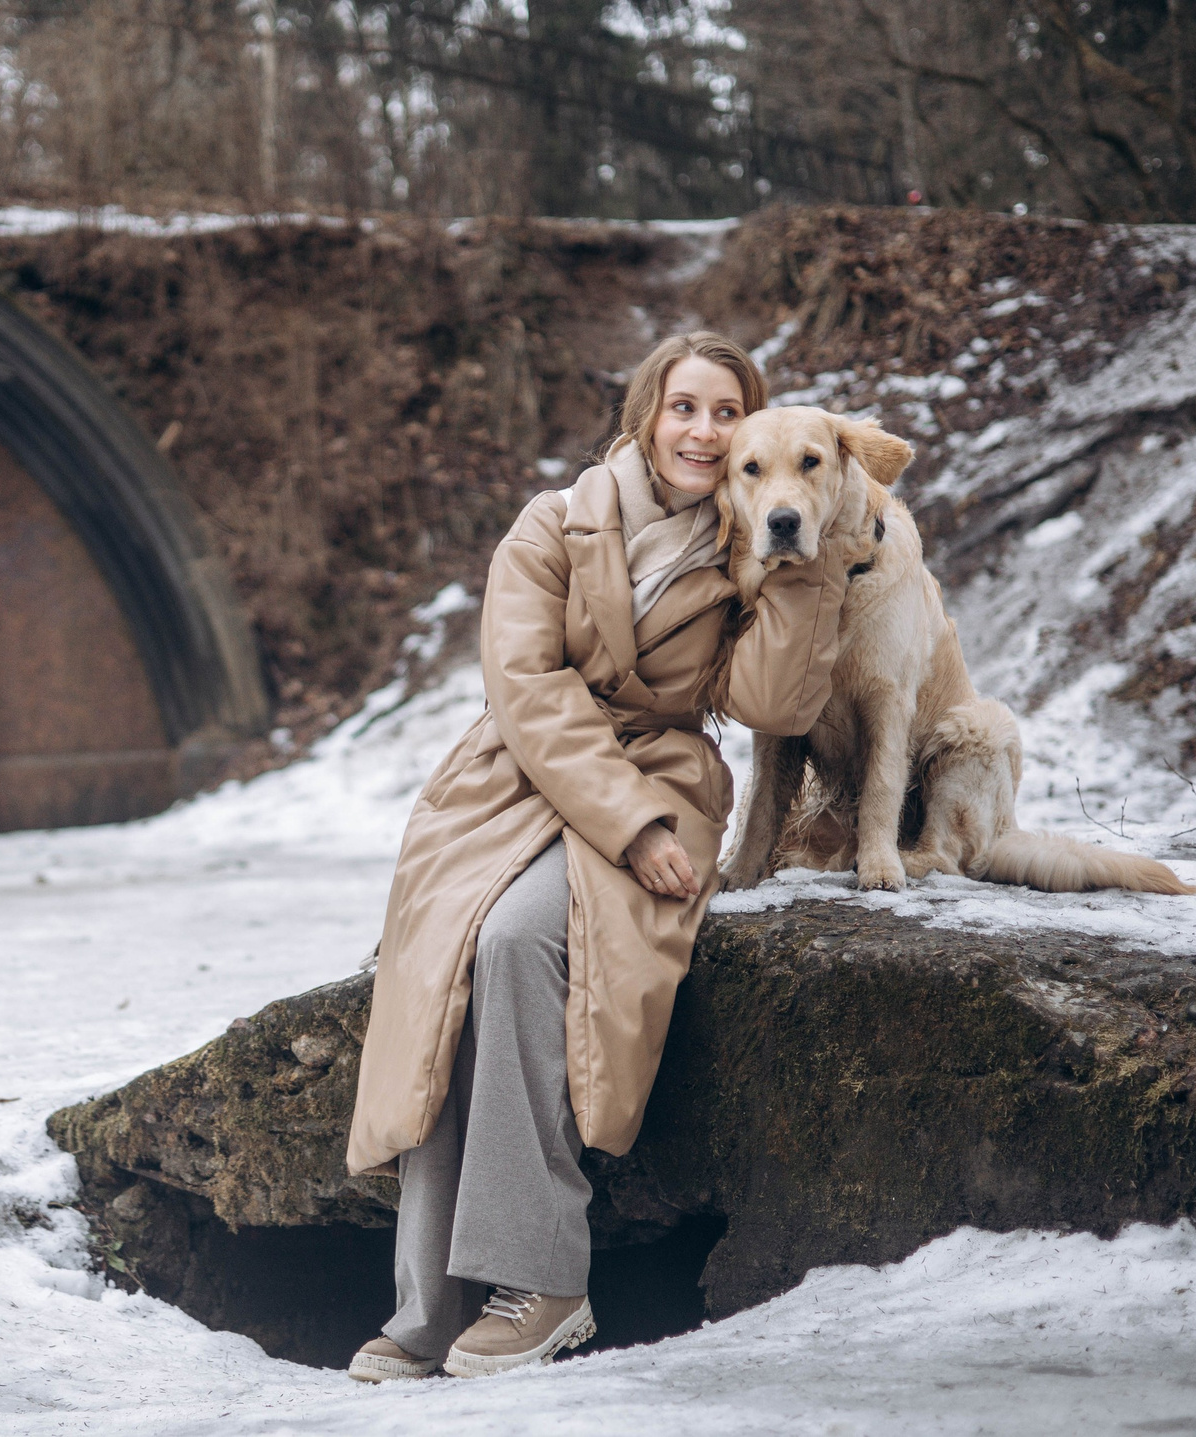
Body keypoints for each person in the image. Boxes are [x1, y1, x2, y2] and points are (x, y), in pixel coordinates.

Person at [344, 333, 849, 1381]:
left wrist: (801, 571)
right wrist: (630, 827)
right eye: (685, 408)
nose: (704, 432)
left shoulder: (749, 540)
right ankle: (431, 1304)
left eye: (727, 413)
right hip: (514, 777)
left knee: (524, 940)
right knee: (455, 951)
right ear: (644, 417)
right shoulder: (553, 524)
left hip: (663, 778)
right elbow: (525, 687)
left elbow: (773, 705)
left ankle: (544, 1283)